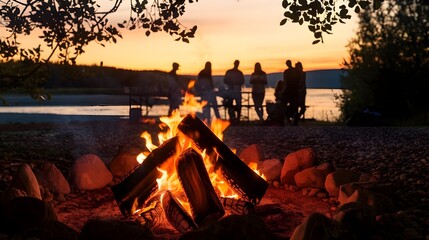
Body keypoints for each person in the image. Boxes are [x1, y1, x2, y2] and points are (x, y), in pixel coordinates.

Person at [281, 59, 300, 125]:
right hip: (295, 90)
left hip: (289, 91)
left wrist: (283, 91)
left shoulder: (286, 72)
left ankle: (288, 117)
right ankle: (293, 119)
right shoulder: (296, 71)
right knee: (294, 105)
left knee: (287, 105)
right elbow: (298, 80)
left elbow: (285, 82)